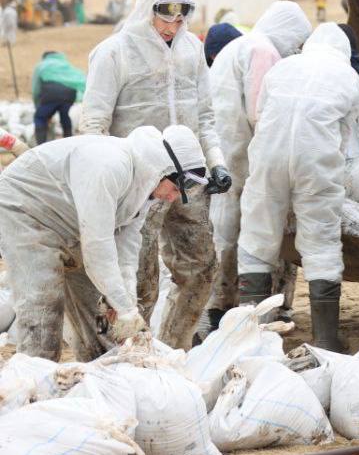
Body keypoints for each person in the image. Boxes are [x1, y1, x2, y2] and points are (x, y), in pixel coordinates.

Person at [80, 0, 232, 349]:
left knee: (200, 268)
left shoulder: (191, 50)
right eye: (165, 17)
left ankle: (173, 346)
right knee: (138, 280)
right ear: (148, 10)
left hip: (189, 177)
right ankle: (126, 355)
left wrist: (215, 161)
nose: (172, 26)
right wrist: (106, 179)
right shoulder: (115, 52)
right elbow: (94, 123)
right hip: (139, 181)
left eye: (180, 18)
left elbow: (205, 115)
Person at [0, 124, 207, 360]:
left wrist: (125, 301)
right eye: (174, 188)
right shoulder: (110, 166)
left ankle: (98, 377)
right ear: (165, 171)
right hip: (26, 210)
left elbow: (127, 246)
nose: (172, 197)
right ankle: (35, 381)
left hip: (70, 222)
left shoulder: (144, 185)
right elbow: (97, 248)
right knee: (44, 305)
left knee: (98, 311)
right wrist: (125, 309)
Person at [236, 23, 359, 351]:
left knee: (256, 235)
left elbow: (261, 114)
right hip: (315, 159)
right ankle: (325, 339)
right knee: (320, 243)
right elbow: (346, 137)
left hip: (268, 155)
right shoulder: (348, 77)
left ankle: (252, 335)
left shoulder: (282, 68)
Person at [205, 1, 311, 334]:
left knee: (221, 231)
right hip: (247, 158)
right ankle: (257, 309)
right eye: (296, 41)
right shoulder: (264, 51)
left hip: (222, 154)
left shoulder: (236, 46)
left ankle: (215, 308)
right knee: (255, 233)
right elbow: (261, 111)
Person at [31, 50, 86, 143]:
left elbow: (36, 89)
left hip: (50, 93)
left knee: (40, 117)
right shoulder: (66, 65)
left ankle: (41, 145)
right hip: (69, 94)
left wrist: (37, 106)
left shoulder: (42, 65)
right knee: (64, 116)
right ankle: (68, 141)